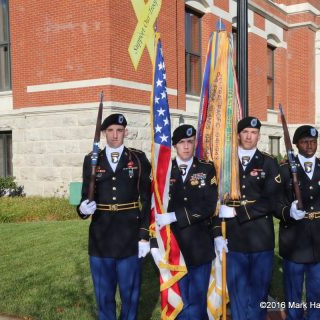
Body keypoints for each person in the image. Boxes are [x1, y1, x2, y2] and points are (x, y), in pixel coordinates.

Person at [77, 113, 152, 320]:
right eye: (110, 130)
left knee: (130, 297)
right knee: (104, 297)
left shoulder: (138, 158)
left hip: (129, 237)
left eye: (119, 130)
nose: (115, 135)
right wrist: (83, 208)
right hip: (101, 238)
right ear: (103, 133)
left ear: (125, 132)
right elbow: (85, 195)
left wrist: (144, 235)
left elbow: (147, 199)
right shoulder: (92, 160)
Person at [213, 116, 282, 320]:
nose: (249, 136)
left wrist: (238, 212)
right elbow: (213, 198)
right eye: (245, 132)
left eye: (253, 133)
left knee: (259, 294)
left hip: (261, 237)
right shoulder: (225, 163)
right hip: (233, 237)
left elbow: (273, 200)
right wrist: (217, 230)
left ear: (259, 136)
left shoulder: (268, 163)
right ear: (238, 135)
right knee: (237, 294)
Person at [276, 125, 320, 320]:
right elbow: (275, 202)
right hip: (294, 238)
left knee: (318, 289)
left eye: (313, 142)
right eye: (305, 141)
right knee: (293, 291)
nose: (310, 145)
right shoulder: (285, 169)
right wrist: (288, 211)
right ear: (296, 144)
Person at [152, 124, 218, 320]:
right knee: (180, 301)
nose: (186, 146)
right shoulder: (164, 171)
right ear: (174, 145)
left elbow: (209, 206)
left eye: (190, 142)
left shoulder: (206, 168)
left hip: (199, 246)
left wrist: (175, 216)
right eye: (182, 142)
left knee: (197, 301)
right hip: (173, 248)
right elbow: (153, 205)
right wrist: (153, 241)